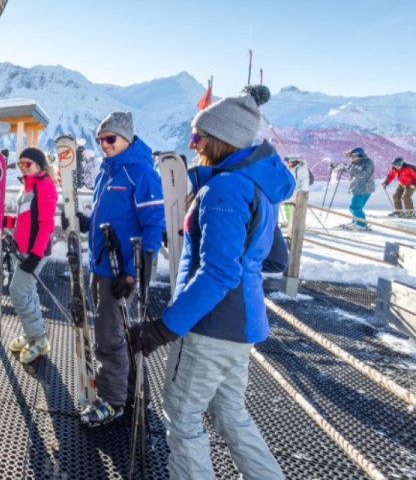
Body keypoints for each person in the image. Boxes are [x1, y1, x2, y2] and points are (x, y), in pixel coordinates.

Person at [127, 86, 292, 480]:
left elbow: (219, 272)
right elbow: (275, 257)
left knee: (182, 418)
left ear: (221, 140)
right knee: (230, 416)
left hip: (208, 327)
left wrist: (164, 328)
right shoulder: (259, 187)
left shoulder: (223, 188)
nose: (193, 144)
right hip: (241, 328)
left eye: (199, 136)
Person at [70, 111, 165, 427]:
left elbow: (153, 227)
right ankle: (134, 392)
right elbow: (105, 217)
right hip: (101, 265)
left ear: (126, 138)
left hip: (120, 270)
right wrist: (86, 224)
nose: (104, 145)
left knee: (108, 338)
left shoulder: (141, 173)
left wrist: (132, 273)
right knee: (120, 334)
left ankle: (110, 401)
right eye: (100, 140)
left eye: (109, 139)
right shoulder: (106, 174)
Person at [0, 146, 58, 363]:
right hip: (21, 249)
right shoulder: (28, 187)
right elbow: (25, 220)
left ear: (39, 165)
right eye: (20, 164)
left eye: (27, 164)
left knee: (18, 291)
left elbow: (46, 225)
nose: (23, 168)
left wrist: (36, 255)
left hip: (33, 252)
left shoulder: (44, 186)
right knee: (28, 291)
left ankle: (38, 339)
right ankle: (34, 335)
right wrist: (5, 221)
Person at [335, 147, 374, 230]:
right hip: (359, 188)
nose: (352, 159)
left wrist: (351, 169)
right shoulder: (357, 162)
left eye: (353, 157)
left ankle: (361, 224)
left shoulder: (367, 163)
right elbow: (349, 168)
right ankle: (356, 222)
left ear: (359, 155)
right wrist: (339, 167)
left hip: (363, 188)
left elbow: (362, 174)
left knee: (354, 207)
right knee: (356, 207)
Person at [281, 155, 310, 225]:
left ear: (294, 162)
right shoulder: (290, 169)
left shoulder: (301, 170)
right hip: (289, 192)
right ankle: (289, 221)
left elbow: (305, 182)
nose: (287, 164)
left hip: (298, 194)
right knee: (286, 206)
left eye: (289, 162)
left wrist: (303, 194)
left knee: (296, 208)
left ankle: (297, 222)